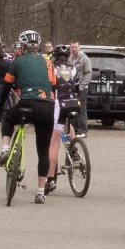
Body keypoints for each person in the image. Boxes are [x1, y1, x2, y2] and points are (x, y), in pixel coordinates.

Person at [0, 29, 56, 204]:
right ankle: (40, 192)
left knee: (8, 118)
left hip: (27, 103)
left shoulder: (18, 60)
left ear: (23, 46)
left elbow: (6, 86)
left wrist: (0, 106)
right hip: (47, 107)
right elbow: (54, 86)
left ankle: (6, 150)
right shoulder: (48, 62)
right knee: (43, 151)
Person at [45, 45, 80, 194]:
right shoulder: (73, 68)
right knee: (67, 122)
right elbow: (77, 86)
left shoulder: (52, 68)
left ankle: (51, 179)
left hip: (59, 103)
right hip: (74, 102)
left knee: (54, 143)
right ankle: (75, 151)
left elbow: (49, 87)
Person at [68, 41, 91, 137]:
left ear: (79, 47)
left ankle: (83, 131)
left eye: (75, 47)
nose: (74, 49)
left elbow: (89, 73)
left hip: (82, 88)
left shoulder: (84, 59)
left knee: (82, 109)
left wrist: (81, 86)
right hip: (72, 88)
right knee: (73, 109)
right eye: (72, 47)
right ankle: (75, 130)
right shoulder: (69, 58)